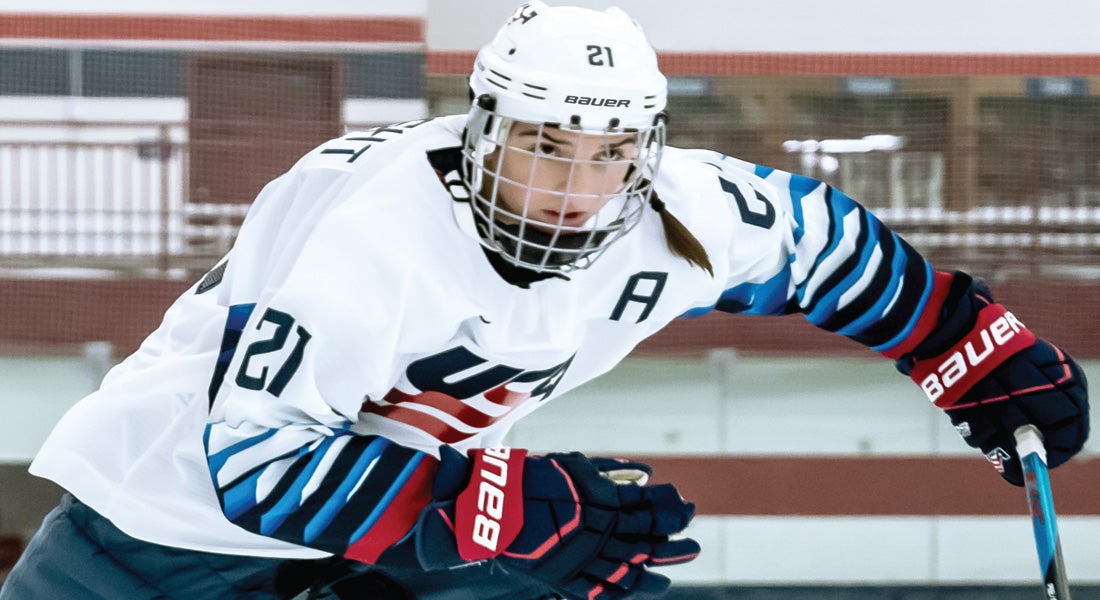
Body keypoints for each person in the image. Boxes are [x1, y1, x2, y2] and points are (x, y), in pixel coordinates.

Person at [1, 1, 1089, 599]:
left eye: (608, 151)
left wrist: (971, 349)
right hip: (155, 536)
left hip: (385, 528)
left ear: (645, 149)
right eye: (541, 147)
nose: (573, 188)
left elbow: (822, 246)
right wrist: (505, 510)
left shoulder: (686, 209)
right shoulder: (373, 230)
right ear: (482, 129)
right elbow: (259, 461)